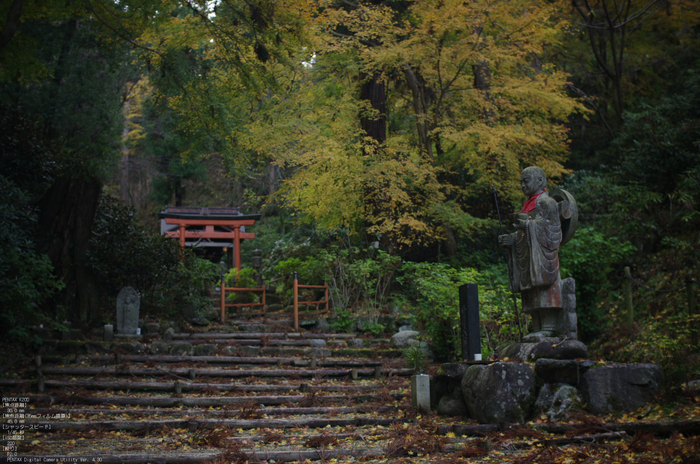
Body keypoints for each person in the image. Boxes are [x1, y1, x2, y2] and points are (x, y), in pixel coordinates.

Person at [499, 166, 562, 340]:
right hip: (528, 256)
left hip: (542, 256)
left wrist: (528, 224)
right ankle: (537, 327)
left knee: (543, 288)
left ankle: (549, 327)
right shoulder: (527, 205)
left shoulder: (546, 202)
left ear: (540, 181)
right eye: (521, 182)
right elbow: (523, 232)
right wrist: (511, 239)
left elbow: (552, 229)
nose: (523, 185)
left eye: (526, 181)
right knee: (530, 290)